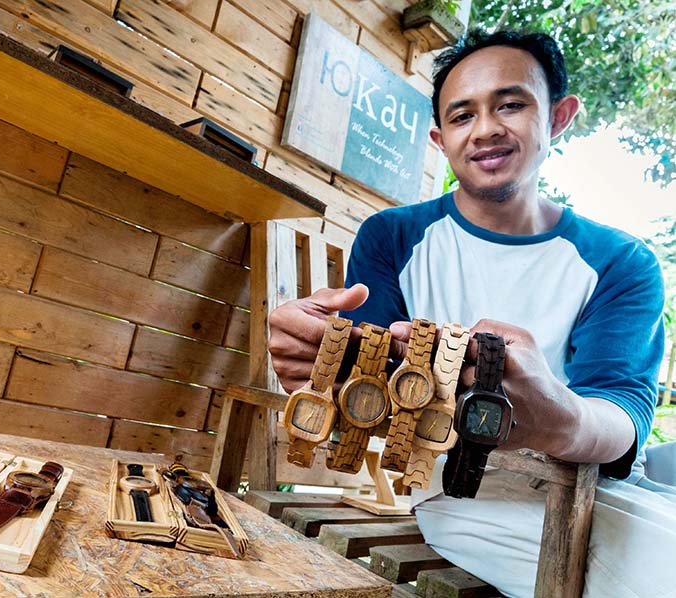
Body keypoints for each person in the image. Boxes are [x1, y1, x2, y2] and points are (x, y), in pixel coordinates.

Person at [268, 29, 676, 598]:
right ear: (440, 138)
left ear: (558, 117)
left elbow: (621, 410)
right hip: (463, 490)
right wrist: (321, 363)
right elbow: (370, 382)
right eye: (462, 115)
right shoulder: (394, 236)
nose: (486, 128)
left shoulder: (622, 261)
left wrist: (564, 419)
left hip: (598, 482)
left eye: (511, 104)